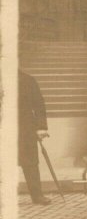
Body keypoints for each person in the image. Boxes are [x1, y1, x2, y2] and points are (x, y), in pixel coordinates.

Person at [18, 69, 51, 205]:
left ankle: (37, 196)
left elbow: (38, 105)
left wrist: (41, 127)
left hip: (25, 128)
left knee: (30, 163)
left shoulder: (27, 80)